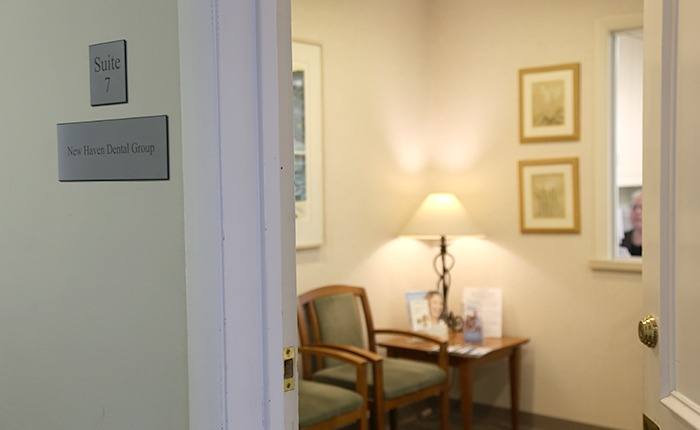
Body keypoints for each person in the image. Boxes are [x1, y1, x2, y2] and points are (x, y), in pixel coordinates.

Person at [620, 191, 642, 257]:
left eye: (642, 207)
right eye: (634, 207)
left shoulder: (658, 242)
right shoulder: (621, 240)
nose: (638, 212)